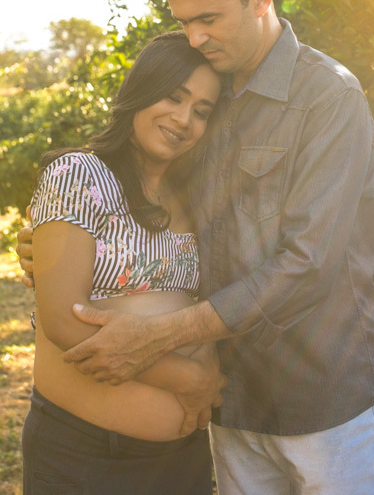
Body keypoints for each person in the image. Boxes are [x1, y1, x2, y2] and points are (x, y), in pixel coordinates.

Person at [20, 0, 374, 494]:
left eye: (209, 19)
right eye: (183, 22)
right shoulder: (211, 91)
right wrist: (47, 240)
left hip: (323, 399)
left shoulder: (327, 98)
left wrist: (161, 337)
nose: (195, 37)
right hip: (234, 404)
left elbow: (308, 263)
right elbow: (144, 208)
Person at [21, 30, 227, 495]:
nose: (183, 119)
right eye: (173, 97)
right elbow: (62, 321)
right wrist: (189, 377)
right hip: (87, 458)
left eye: (201, 111)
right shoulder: (80, 173)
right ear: (141, 91)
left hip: (180, 462)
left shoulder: (190, 196)